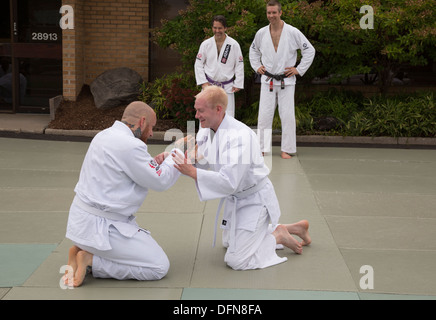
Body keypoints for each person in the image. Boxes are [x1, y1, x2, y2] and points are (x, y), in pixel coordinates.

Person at [173, 86, 311, 271]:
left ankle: (277, 235)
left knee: (237, 260)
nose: (196, 115)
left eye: (200, 110)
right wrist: (177, 158)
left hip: (254, 199)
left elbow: (229, 181)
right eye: (196, 110)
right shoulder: (206, 130)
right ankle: (294, 228)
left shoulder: (240, 136)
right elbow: (204, 160)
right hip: (236, 198)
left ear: (218, 109)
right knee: (229, 242)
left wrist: (192, 172)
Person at [64, 101, 184, 287]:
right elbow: (161, 181)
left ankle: (82, 248)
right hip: (101, 231)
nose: (152, 133)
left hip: (79, 225)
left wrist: (154, 162)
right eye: (151, 127)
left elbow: (121, 173)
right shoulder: (130, 145)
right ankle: (91, 260)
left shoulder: (104, 136)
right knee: (159, 266)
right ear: (142, 122)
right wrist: (177, 152)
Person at [249, 0, 315, 159]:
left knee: (287, 116)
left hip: (287, 81)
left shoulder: (293, 32)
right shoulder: (261, 33)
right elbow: (253, 52)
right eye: (268, 12)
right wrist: (257, 66)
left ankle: (287, 149)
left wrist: (298, 69)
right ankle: (262, 148)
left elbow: (309, 50)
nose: (271, 15)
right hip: (268, 80)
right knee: (264, 116)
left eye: (274, 12)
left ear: (280, 13)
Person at [194, 15, 244, 118]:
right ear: (212, 28)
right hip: (209, 86)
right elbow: (198, 64)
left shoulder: (233, 44)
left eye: (220, 28)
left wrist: (238, 82)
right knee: (206, 115)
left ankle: (227, 135)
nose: (217, 30)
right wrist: (203, 83)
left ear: (225, 28)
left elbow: (239, 64)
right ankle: (206, 135)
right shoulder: (206, 44)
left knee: (227, 117)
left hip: (227, 87)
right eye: (215, 28)